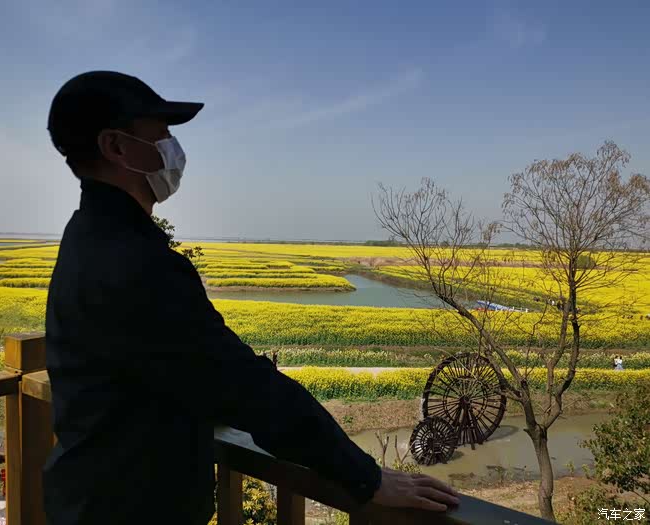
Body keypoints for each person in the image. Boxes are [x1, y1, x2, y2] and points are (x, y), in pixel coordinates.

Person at [43, 71, 459, 524]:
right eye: (161, 133)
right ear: (116, 146)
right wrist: (366, 477)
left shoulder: (87, 237)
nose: (172, 147)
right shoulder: (134, 261)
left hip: (91, 497)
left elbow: (175, 373)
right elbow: (242, 385)